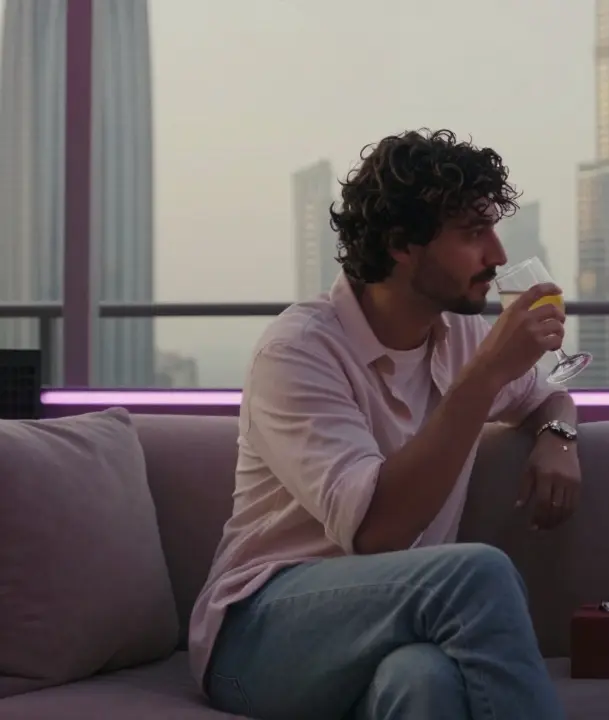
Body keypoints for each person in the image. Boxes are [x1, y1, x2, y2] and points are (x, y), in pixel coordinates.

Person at [189, 129, 578, 720]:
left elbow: (546, 397)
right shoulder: (299, 351)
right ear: (401, 245)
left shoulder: (460, 335)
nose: (498, 255)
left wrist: (558, 438)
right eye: (473, 233)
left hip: (393, 628)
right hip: (260, 632)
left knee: (425, 681)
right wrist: (485, 375)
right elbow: (376, 532)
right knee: (477, 573)